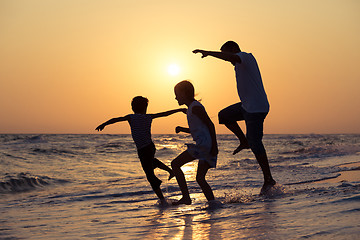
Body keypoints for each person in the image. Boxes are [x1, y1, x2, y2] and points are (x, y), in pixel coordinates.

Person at [193, 41, 276, 195]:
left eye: (228, 55)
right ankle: (243, 141)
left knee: (256, 142)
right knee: (223, 116)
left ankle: (268, 179)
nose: (229, 61)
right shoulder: (239, 64)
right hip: (246, 106)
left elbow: (230, 57)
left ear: (233, 50)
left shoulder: (245, 57)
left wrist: (209, 53)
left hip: (256, 108)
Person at [95, 96, 186, 204]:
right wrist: (179, 110)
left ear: (132, 108)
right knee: (151, 162)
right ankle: (170, 172)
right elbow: (165, 113)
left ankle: (162, 200)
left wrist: (104, 124)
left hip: (143, 149)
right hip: (149, 147)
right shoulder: (148, 116)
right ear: (145, 107)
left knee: (149, 175)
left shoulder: (131, 117)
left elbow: (116, 119)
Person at [171, 80, 218, 205]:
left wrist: (214, 146)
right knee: (200, 178)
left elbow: (210, 124)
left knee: (175, 164)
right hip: (205, 145)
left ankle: (186, 197)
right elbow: (198, 129)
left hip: (204, 146)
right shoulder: (192, 108)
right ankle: (213, 203)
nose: (175, 97)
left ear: (184, 93)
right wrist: (182, 129)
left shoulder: (196, 107)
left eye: (177, 94)